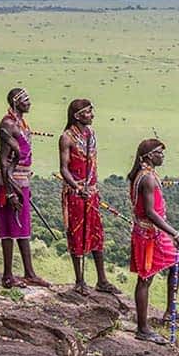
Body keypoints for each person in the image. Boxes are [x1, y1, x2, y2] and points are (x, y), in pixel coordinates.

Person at [128, 138, 179, 345]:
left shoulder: (147, 174)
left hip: (153, 233)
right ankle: (142, 329)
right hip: (149, 235)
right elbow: (151, 213)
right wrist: (175, 233)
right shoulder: (148, 179)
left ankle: (171, 311)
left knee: (178, 262)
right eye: (160, 153)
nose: (163, 156)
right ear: (149, 156)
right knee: (145, 278)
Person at [59, 99, 117, 295]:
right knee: (77, 234)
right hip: (76, 193)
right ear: (77, 116)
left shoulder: (91, 134)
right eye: (88, 112)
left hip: (91, 192)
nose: (92, 115)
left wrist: (89, 189)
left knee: (96, 234)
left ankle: (102, 280)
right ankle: (80, 281)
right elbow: (64, 169)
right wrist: (76, 187)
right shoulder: (67, 138)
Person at [0, 88, 50, 288]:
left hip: (23, 179)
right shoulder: (8, 124)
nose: (29, 102)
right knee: (10, 226)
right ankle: (8, 276)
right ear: (14, 102)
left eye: (29, 99)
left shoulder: (21, 123)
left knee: (23, 226)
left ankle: (29, 273)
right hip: (10, 182)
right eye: (24, 100)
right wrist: (10, 191)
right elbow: (4, 162)